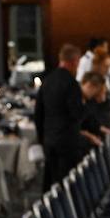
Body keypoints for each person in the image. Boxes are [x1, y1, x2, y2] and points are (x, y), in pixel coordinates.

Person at [35, 43, 87, 189]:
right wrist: (85, 104)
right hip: (67, 142)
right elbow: (76, 114)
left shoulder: (48, 80)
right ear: (75, 61)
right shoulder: (71, 84)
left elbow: (38, 113)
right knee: (67, 185)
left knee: (51, 181)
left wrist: (42, 138)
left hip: (49, 140)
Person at [80, 72, 110, 140]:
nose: (94, 94)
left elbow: (90, 121)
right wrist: (90, 136)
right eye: (97, 90)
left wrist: (107, 131)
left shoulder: (85, 100)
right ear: (89, 85)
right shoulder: (75, 99)